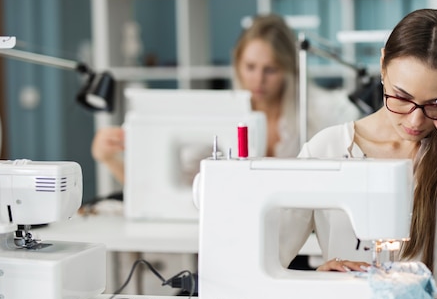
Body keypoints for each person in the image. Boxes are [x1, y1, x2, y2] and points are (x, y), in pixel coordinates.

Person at [279, 9, 437, 299]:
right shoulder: (327, 150)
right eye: (402, 98)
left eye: (436, 104)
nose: (415, 122)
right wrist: (319, 283)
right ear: (382, 66)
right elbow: (268, 263)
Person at [92, 13, 360, 183]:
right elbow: (170, 184)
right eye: (250, 67)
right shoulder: (222, 114)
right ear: (237, 64)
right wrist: (109, 159)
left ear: (290, 70)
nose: (258, 80)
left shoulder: (320, 111)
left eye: (270, 70)